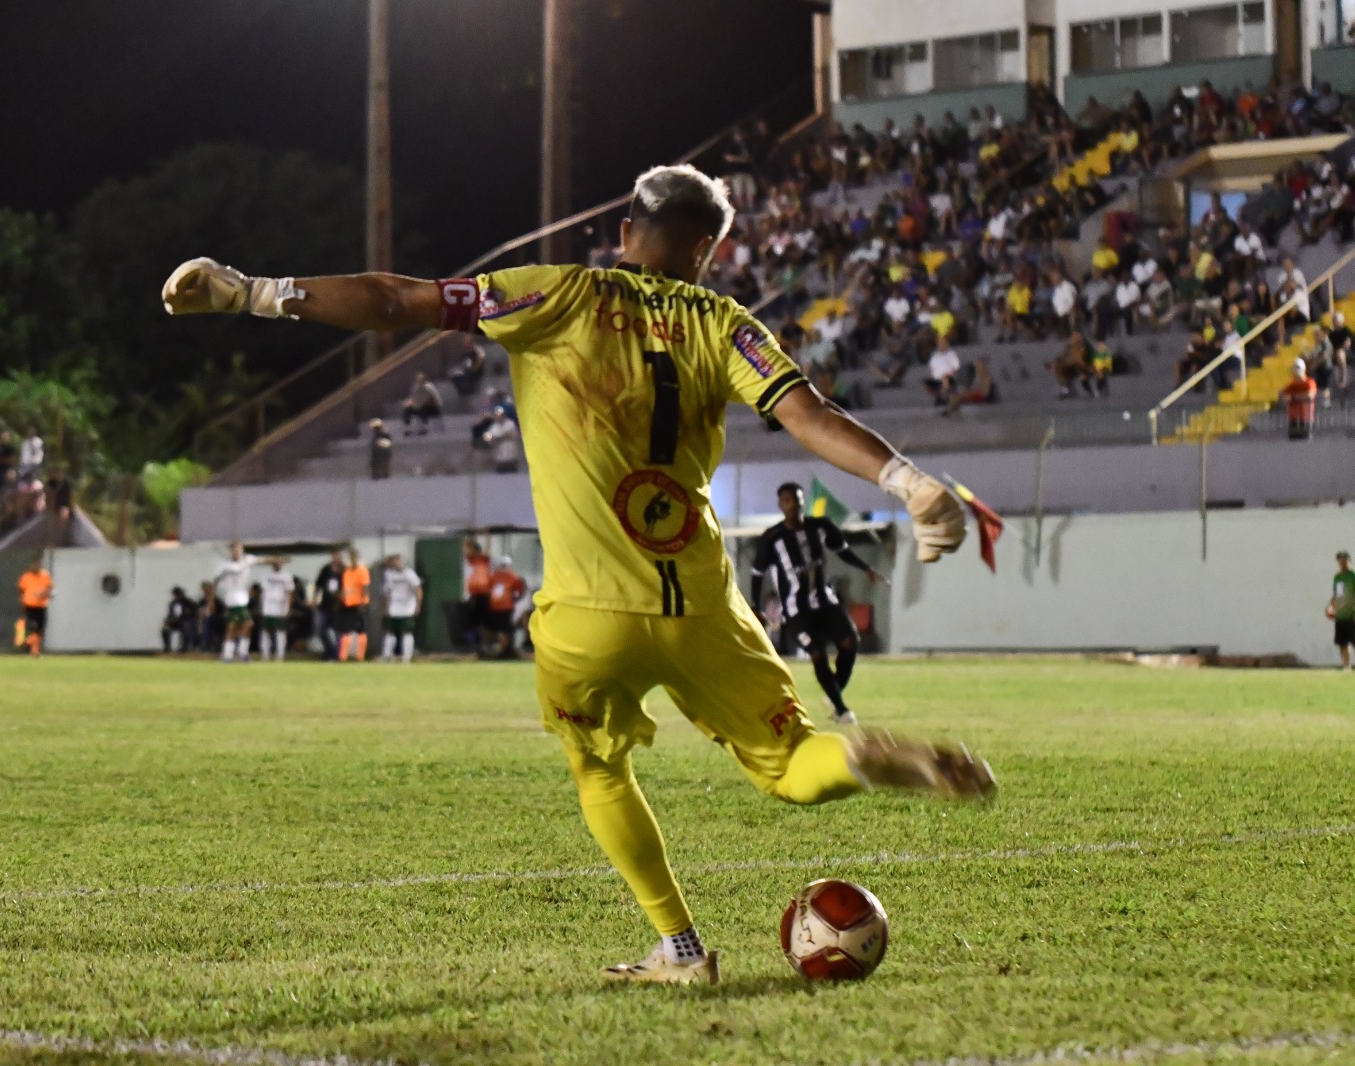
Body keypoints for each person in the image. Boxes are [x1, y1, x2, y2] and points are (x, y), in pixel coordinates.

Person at [162, 161, 985, 985]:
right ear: (704, 251)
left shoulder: (554, 294)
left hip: (589, 614)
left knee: (599, 767)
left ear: (626, 233)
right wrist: (909, 483)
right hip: (703, 606)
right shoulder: (727, 325)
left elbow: (391, 301)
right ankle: (859, 758)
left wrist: (249, 292)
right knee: (798, 764)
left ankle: (682, 949)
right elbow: (809, 415)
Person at [751, 483, 883, 725]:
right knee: (817, 653)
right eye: (787, 500)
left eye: (797, 500)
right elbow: (757, 572)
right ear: (781, 505)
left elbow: (842, 550)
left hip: (825, 600)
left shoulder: (820, 527)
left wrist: (866, 568)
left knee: (850, 643)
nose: (793, 504)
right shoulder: (771, 538)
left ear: (803, 502)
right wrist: (755, 607)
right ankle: (842, 709)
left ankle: (833, 694)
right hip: (795, 609)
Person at [213, 540, 260, 663]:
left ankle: (229, 655)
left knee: (236, 627)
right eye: (233, 549)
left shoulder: (247, 560)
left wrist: (275, 560)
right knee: (244, 624)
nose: (236, 552)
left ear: (242, 550)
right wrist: (213, 597)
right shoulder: (225, 566)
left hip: (242, 600)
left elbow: (262, 561)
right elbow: (215, 580)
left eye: (238, 549)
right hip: (233, 600)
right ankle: (240, 653)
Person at [380, 553, 424, 663]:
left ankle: (406, 657)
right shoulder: (389, 575)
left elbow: (418, 590)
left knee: (406, 631)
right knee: (389, 631)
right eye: (392, 561)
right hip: (394, 607)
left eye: (396, 560)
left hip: (407, 607)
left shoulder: (409, 574)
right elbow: (388, 592)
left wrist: (418, 606)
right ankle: (386, 656)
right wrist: (385, 608)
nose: (394, 563)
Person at [482, 556, 527, 659]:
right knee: (490, 628)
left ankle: (503, 651)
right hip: (494, 607)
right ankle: (490, 649)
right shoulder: (494, 577)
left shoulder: (513, 577)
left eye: (505, 565)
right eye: (501, 565)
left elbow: (520, 590)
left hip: (506, 608)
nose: (503, 567)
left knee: (505, 629)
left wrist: (514, 599)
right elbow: (488, 589)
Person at [337, 548, 371, 662]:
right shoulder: (346, 572)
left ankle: (360, 656)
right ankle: (343, 656)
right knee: (345, 630)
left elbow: (365, 588)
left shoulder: (362, 570)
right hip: (347, 604)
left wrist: (362, 602)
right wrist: (342, 595)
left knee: (360, 630)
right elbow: (347, 588)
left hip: (359, 604)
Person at [17, 556, 54, 658]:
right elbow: (21, 590)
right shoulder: (26, 577)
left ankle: (32, 648)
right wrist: (22, 602)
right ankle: (32, 648)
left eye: (37, 565)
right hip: (29, 606)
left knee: (39, 630)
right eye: (34, 565)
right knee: (34, 627)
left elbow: (50, 589)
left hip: (41, 606)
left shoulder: (45, 576)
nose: (35, 567)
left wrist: (43, 594)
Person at [313, 549, 345, 660]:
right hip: (325, 605)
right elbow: (318, 585)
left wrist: (340, 600)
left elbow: (346, 588)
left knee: (338, 632)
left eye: (339, 556)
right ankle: (329, 651)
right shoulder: (326, 569)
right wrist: (314, 598)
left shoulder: (344, 570)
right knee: (321, 630)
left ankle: (337, 655)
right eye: (335, 555)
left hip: (339, 607)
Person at [261, 558, 295, 662]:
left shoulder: (286, 576)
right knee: (265, 631)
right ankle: (265, 655)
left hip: (280, 607)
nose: (276, 563)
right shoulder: (266, 575)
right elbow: (262, 592)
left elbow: (290, 593)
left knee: (280, 632)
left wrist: (288, 607)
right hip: (267, 607)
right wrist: (260, 607)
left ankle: (280, 656)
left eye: (278, 561)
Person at [462, 536, 492, 651]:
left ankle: (485, 644)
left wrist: (487, 535)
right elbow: (465, 549)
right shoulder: (472, 560)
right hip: (474, 594)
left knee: (484, 621)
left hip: (484, 594)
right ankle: (476, 643)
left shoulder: (484, 560)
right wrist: (468, 536)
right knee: (474, 620)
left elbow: (487, 549)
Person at [1329, 551, 1355, 671]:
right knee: (1342, 643)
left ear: (1349, 561)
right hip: (1341, 615)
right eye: (1340, 560)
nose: (1343, 562)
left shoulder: (1353, 576)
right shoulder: (1337, 577)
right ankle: (1346, 666)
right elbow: (1337, 595)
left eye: (1345, 560)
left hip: (1352, 615)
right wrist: (1331, 607)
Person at [1282, 357, 1318, 439]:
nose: (1296, 371)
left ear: (1303, 370)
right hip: (1293, 419)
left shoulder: (1309, 383)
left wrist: (1294, 398)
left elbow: (1309, 396)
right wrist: (1301, 397)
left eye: (1298, 368)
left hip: (1306, 418)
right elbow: (1286, 399)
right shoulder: (1290, 386)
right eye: (1294, 368)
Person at [161, 586, 196, 654]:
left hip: (186, 621)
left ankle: (184, 647)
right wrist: (167, 622)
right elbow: (170, 615)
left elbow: (192, 614)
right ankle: (167, 647)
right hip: (175, 622)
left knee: (186, 627)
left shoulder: (189, 603)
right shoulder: (172, 604)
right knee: (165, 629)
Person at [486, 407, 521, 473]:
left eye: (500, 415)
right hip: (499, 459)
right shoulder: (493, 427)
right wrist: (492, 439)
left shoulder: (510, 424)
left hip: (511, 458)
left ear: (504, 415)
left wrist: (496, 438)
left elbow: (507, 434)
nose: (499, 417)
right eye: (497, 415)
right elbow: (489, 438)